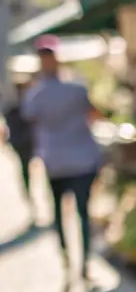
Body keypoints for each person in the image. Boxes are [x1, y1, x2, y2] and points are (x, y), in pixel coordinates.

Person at [22, 42, 102, 277]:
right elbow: (94, 113)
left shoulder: (36, 94)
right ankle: (81, 261)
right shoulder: (74, 89)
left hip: (58, 161)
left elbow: (30, 119)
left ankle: (72, 259)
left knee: (63, 213)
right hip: (77, 159)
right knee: (80, 213)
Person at [2, 80, 35, 203]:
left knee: (25, 168)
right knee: (26, 168)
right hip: (25, 143)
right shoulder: (18, 109)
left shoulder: (12, 109)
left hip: (21, 143)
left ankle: (29, 192)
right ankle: (29, 193)